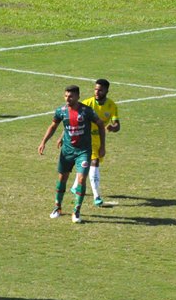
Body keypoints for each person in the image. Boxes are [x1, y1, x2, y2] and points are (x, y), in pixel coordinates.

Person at [37, 85, 107, 224]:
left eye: (71, 96)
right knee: (62, 178)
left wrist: (102, 146)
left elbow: (100, 124)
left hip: (83, 152)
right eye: (66, 96)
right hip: (67, 151)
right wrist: (43, 142)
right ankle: (57, 207)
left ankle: (76, 211)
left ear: (78, 96)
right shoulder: (61, 111)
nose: (67, 99)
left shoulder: (86, 111)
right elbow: (53, 126)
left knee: (81, 179)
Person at [69, 79, 119, 205]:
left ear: (107, 91)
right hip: (85, 138)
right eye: (96, 89)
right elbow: (72, 119)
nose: (97, 92)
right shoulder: (87, 104)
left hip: (99, 138)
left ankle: (75, 186)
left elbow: (117, 124)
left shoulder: (112, 106)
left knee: (86, 164)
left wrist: (113, 127)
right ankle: (97, 196)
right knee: (94, 162)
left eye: (100, 90)